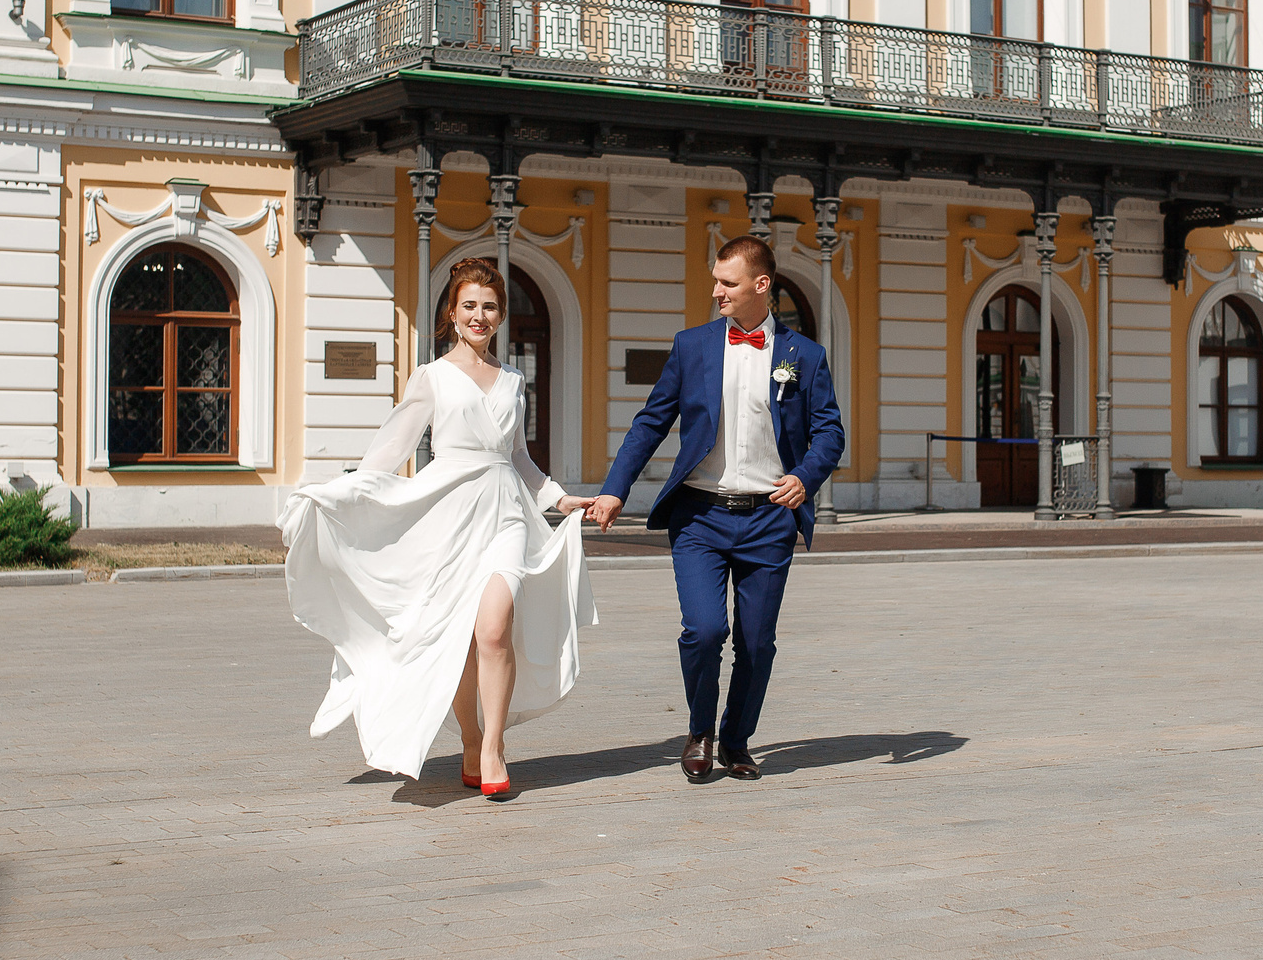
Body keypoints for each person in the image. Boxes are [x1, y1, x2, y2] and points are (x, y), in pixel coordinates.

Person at [282, 258, 595, 800]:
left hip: (506, 515)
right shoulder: (431, 377)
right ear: (452, 313)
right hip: (449, 517)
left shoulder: (514, 380)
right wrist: (344, 496)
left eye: (490, 307)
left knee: (493, 629)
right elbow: (390, 450)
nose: (479, 315)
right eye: (469, 305)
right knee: (459, 638)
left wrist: (560, 499)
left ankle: (494, 746)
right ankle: (471, 740)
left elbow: (518, 457)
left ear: (501, 315)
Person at [584, 234, 844, 783]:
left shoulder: (804, 356)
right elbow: (651, 422)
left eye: (728, 282)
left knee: (757, 642)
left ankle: (737, 740)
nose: (716, 291)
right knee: (704, 630)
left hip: (769, 518)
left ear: (761, 285)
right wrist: (614, 489)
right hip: (699, 516)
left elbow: (829, 433)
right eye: (716, 281)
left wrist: (805, 477)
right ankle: (700, 730)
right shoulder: (692, 346)